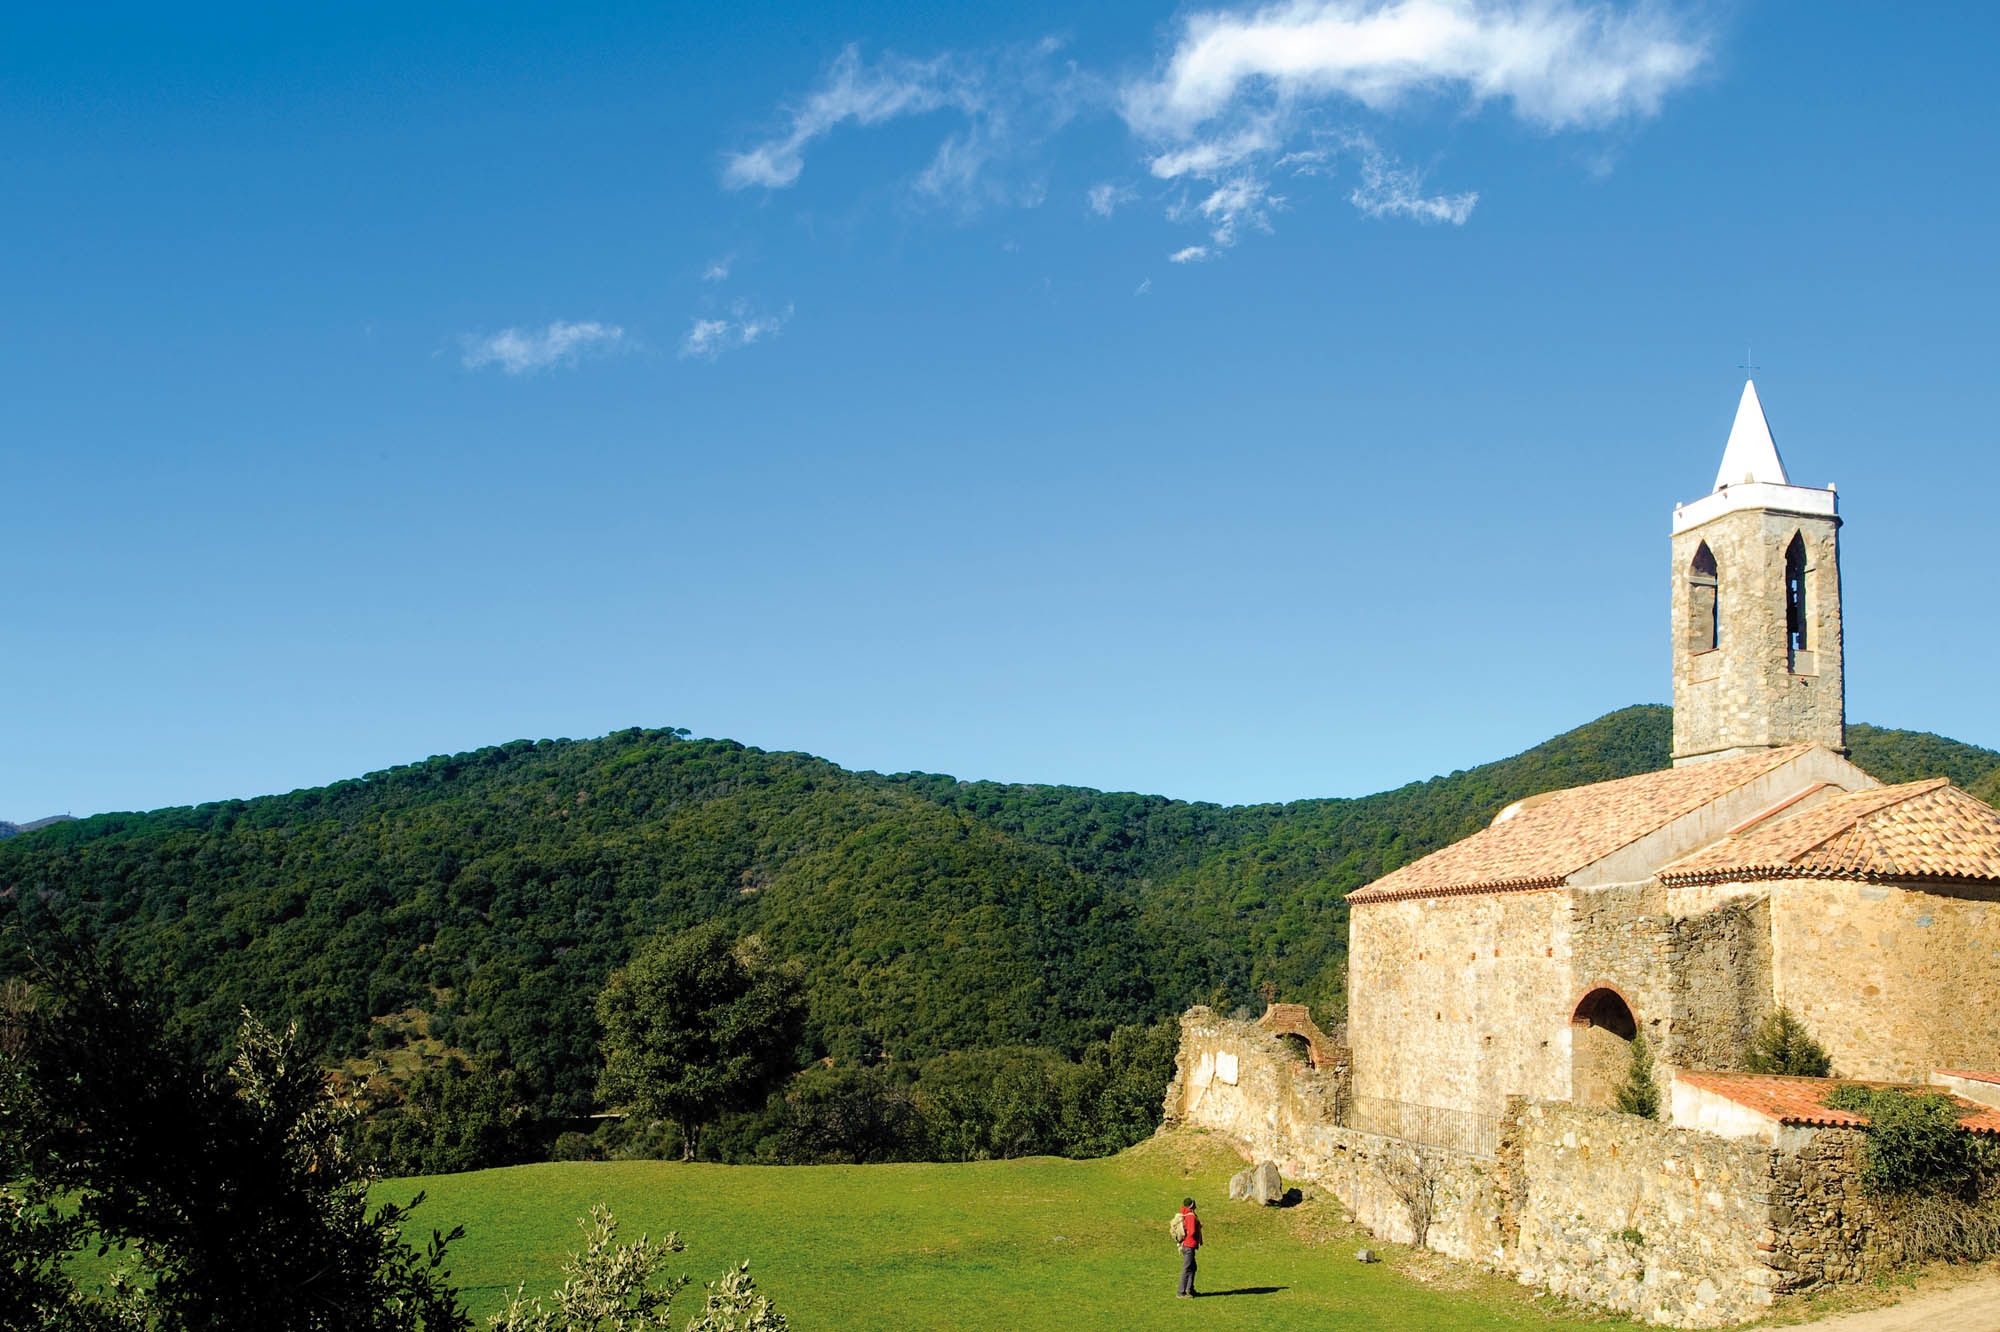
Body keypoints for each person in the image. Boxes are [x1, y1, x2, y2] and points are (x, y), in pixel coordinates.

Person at [1175, 1196, 1201, 1297]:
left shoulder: (1186, 1214)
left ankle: (1189, 1289)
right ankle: (1181, 1292)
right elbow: (1192, 1231)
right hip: (1189, 1245)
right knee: (1187, 1268)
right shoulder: (1191, 1216)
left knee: (1193, 1267)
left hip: (1187, 1245)